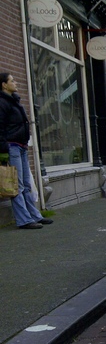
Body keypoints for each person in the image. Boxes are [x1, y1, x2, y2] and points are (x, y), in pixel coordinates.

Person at [0, 73, 52, 229]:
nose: (16, 83)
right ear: (4, 84)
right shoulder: (2, 103)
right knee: (18, 184)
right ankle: (24, 220)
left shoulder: (14, 101)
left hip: (21, 146)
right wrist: (3, 148)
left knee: (27, 184)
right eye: (12, 80)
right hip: (12, 146)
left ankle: (34, 216)